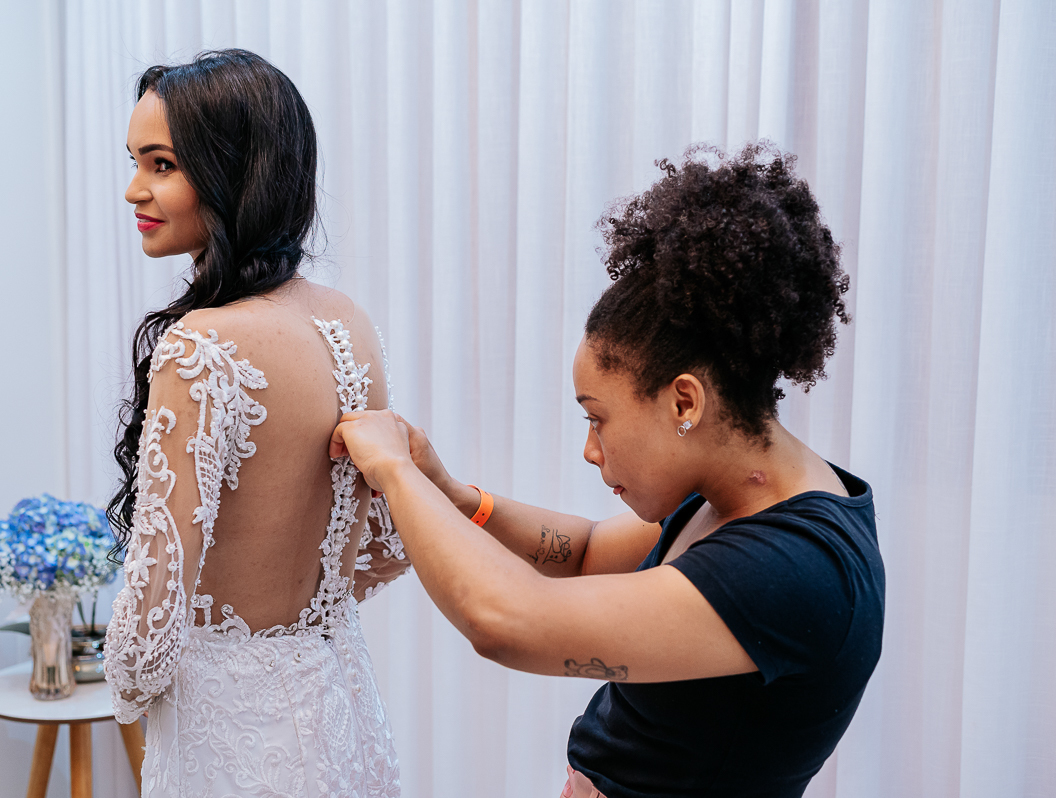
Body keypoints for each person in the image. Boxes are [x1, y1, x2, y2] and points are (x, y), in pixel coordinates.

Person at [330, 143, 885, 798]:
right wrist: (454, 497)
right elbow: (590, 551)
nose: (590, 450)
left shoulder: (795, 569)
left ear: (685, 401)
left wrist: (394, 471)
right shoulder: (741, 494)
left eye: (597, 418)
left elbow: (508, 622)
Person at [102, 50, 408, 797]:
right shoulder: (348, 321)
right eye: (136, 161)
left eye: (163, 164)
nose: (134, 189)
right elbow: (387, 546)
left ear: (237, 171)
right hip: (339, 703)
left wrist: (138, 685)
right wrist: (298, 630)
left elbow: (148, 627)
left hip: (231, 736)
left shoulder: (203, 345)